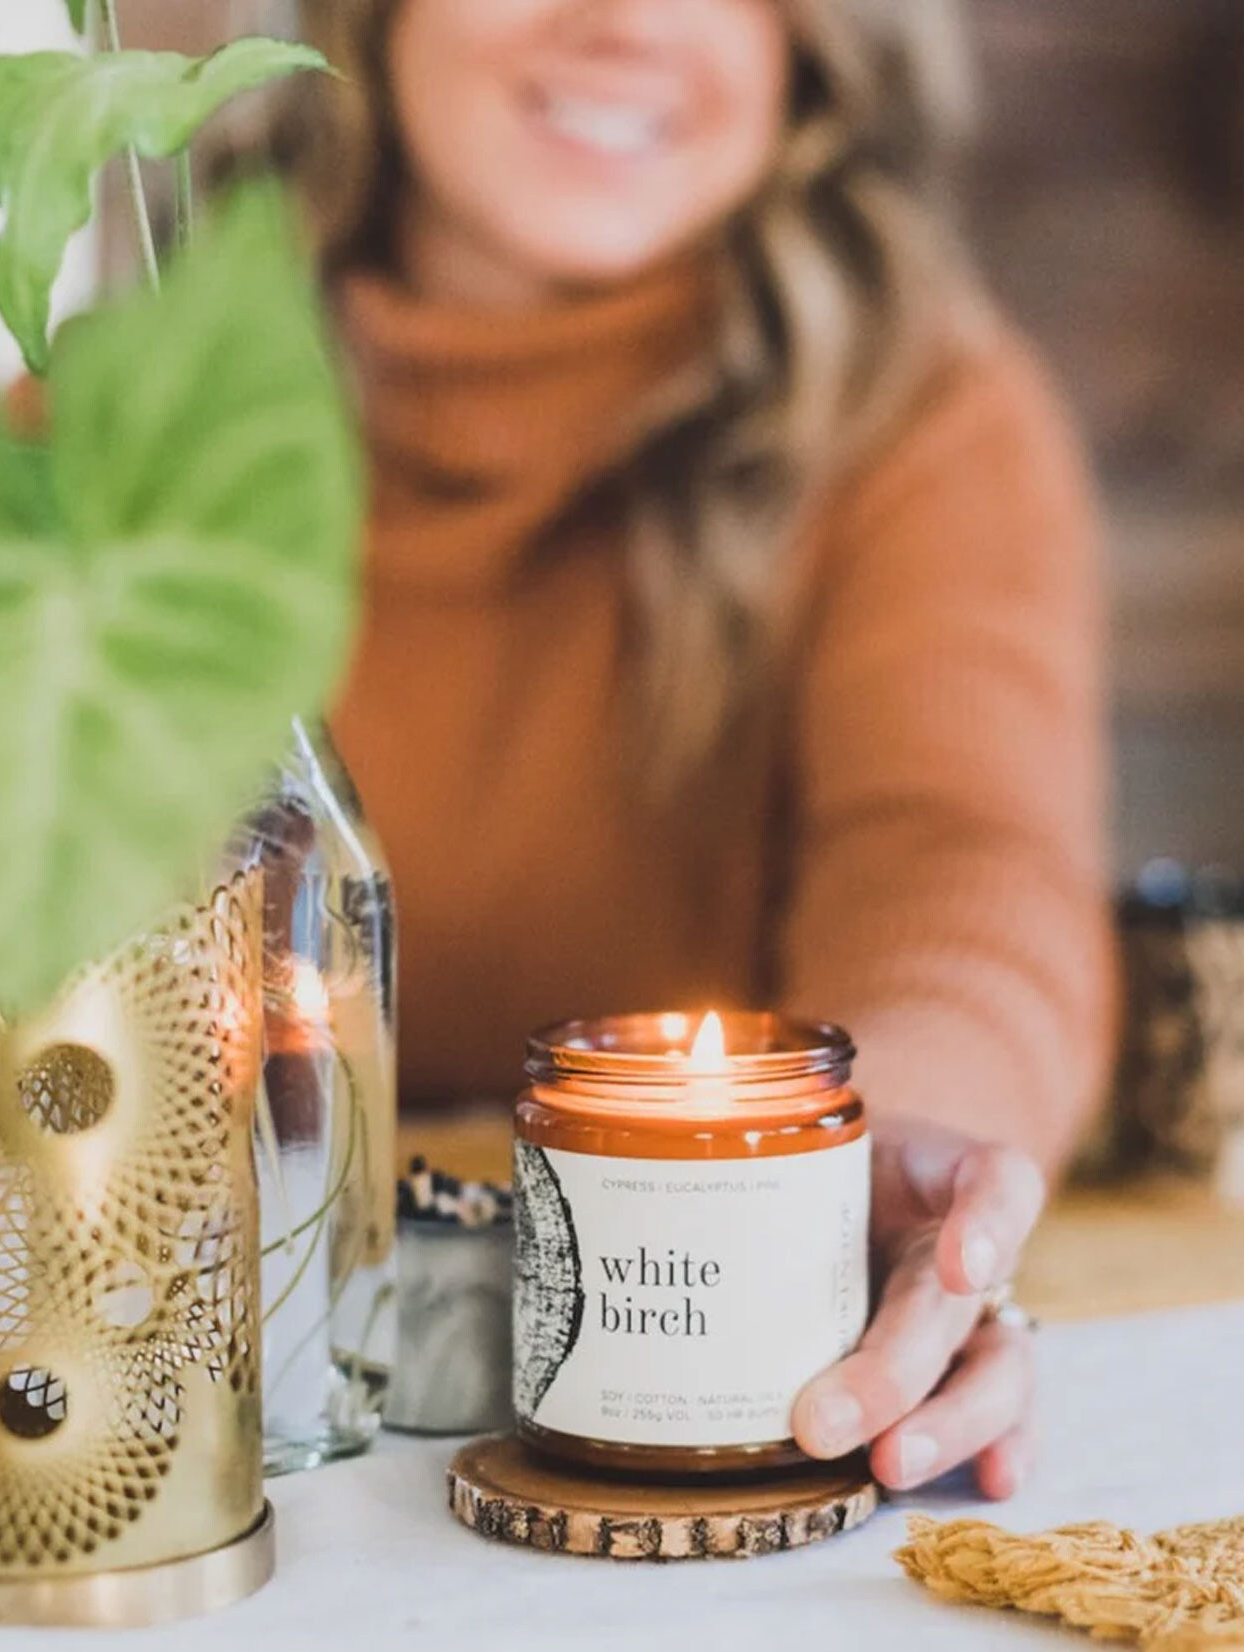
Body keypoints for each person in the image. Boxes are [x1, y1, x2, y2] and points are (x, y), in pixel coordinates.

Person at [280, 0, 1112, 1499]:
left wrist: (884, 1147)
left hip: (688, 1392)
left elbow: (961, 852)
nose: (629, 24)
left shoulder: (925, 411)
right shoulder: (119, 401)